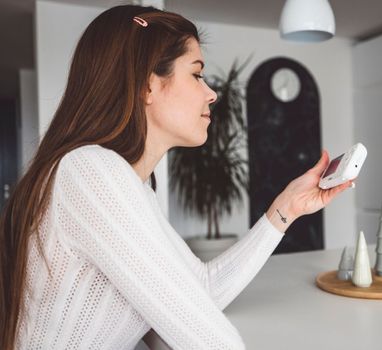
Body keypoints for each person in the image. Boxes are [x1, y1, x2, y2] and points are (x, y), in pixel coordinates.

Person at [0, 5, 352, 350]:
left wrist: (286, 207)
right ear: (148, 85)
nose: (211, 93)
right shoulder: (90, 173)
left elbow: (202, 290)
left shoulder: (132, 187)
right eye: (197, 74)